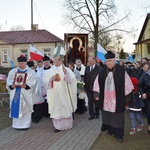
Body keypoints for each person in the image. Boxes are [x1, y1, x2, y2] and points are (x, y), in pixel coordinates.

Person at [99, 51, 134, 142]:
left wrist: (127, 97)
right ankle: (110, 130)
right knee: (108, 115)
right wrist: (96, 94)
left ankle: (119, 135)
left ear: (115, 61)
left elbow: (128, 84)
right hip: (106, 99)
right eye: (107, 61)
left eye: (110, 61)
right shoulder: (102, 71)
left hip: (118, 98)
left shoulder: (121, 71)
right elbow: (97, 84)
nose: (108, 63)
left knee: (118, 117)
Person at [43, 46, 77, 132]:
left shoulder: (67, 70)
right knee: (56, 109)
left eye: (58, 59)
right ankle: (57, 126)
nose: (56, 61)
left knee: (65, 107)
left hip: (64, 93)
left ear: (61, 60)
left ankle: (67, 124)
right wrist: (51, 79)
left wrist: (67, 75)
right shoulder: (49, 71)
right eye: (55, 59)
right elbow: (45, 81)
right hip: (54, 94)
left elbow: (73, 81)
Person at [6, 55, 36, 130]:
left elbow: (33, 82)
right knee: (16, 108)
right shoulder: (13, 71)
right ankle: (16, 125)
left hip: (25, 93)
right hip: (15, 93)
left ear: (26, 63)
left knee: (25, 108)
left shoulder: (31, 72)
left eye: (22, 63)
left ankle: (25, 125)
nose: (21, 65)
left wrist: (26, 86)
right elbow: (9, 81)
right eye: (20, 63)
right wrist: (11, 86)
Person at [138, 69, 150, 134]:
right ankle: (149, 125)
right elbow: (140, 85)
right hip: (148, 96)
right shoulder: (145, 75)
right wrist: (143, 93)